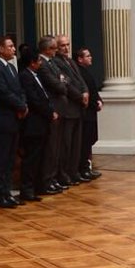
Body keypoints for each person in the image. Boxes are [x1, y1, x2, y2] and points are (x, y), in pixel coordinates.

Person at [0, 36, 25, 209]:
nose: (14, 49)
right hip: (1, 121)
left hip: (13, 119)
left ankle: (7, 192)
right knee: (1, 159)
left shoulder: (11, 67)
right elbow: (2, 92)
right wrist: (20, 105)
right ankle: (0, 194)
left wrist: (23, 104)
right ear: (1, 49)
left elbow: (19, 90)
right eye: (10, 46)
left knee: (10, 160)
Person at [18, 47, 56, 203]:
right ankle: (27, 189)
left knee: (40, 157)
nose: (41, 63)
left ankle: (38, 186)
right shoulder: (25, 76)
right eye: (39, 60)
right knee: (31, 158)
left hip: (42, 123)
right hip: (33, 124)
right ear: (32, 63)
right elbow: (34, 100)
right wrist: (49, 112)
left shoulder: (35, 75)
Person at [53, 34, 89, 188]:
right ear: (56, 47)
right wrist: (80, 96)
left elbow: (80, 80)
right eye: (62, 45)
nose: (66, 48)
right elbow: (67, 83)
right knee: (66, 145)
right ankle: (64, 174)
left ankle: (74, 172)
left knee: (76, 144)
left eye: (67, 44)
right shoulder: (56, 62)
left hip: (78, 108)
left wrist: (85, 91)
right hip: (68, 108)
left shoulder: (71, 61)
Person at [35, 36, 69, 195]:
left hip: (60, 109)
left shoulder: (52, 63)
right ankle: (47, 179)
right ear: (47, 49)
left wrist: (62, 82)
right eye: (54, 48)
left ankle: (53, 177)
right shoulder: (42, 64)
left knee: (57, 147)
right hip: (52, 109)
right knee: (51, 147)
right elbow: (56, 84)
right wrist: (62, 83)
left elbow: (65, 79)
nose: (56, 51)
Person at [74, 46, 102, 181]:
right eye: (87, 56)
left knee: (89, 140)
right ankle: (83, 168)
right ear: (80, 59)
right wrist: (95, 103)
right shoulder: (79, 73)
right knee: (84, 142)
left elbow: (93, 90)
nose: (91, 58)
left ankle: (86, 167)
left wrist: (99, 100)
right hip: (86, 113)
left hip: (91, 111)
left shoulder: (86, 72)